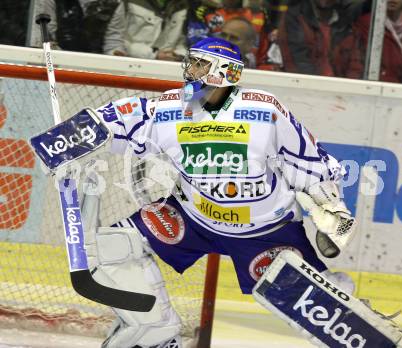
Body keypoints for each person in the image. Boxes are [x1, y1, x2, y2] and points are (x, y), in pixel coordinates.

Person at [44, 38, 358, 347]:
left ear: (225, 71)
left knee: (304, 302)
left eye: (199, 63)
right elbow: (110, 120)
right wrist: (62, 143)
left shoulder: (263, 109)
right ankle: (158, 333)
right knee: (114, 247)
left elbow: (310, 162)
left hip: (264, 230)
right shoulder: (170, 108)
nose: (189, 69)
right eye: (191, 62)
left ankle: (343, 302)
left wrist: (332, 211)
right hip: (194, 219)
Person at [278, 0, 363, 78]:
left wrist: (344, 90)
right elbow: (297, 65)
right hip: (305, 89)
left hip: (341, 90)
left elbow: (356, 66)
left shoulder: (348, 26)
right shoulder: (296, 18)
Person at [30, 0, 126, 55]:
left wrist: (116, 56)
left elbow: (113, 42)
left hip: (94, 65)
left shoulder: (114, 2)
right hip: (56, 60)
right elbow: (40, 33)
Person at [123, 0, 188, 61]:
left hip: (168, 66)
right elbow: (117, 39)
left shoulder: (184, 5)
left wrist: (178, 54)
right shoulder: (129, 2)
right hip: (130, 63)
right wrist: (153, 54)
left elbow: (185, 41)